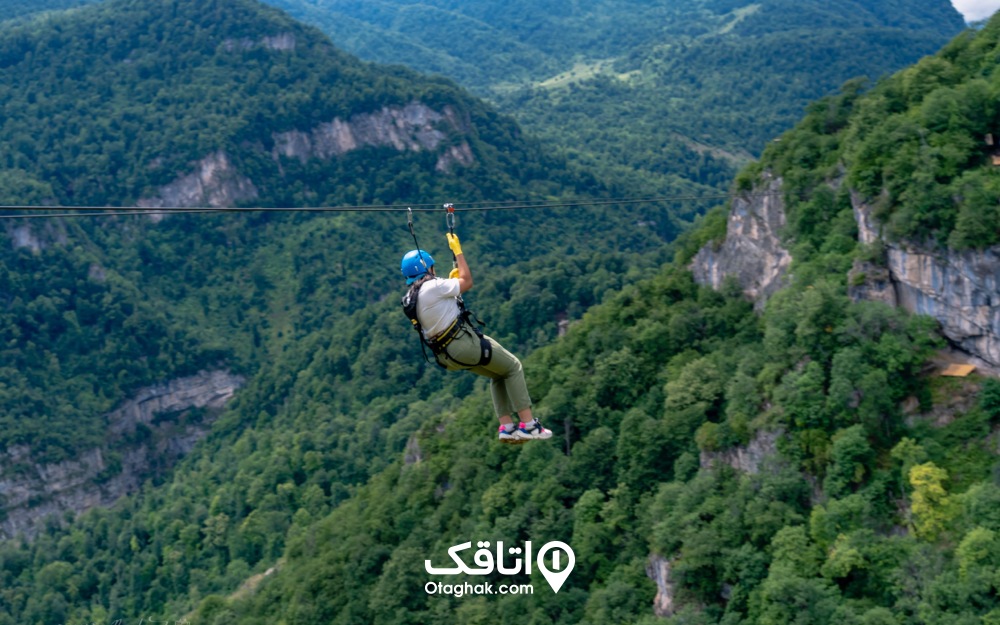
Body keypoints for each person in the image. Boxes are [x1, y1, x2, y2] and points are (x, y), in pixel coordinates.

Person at [401, 232, 552, 444]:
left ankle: (507, 427)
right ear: (426, 268)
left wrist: (451, 286)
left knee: (499, 375)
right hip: (463, 345)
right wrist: (458, 252)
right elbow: (467, 280)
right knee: (513, 367)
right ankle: (529, 425)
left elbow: (442, 308)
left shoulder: (411, 297)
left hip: (446, 356)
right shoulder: (433, 287)